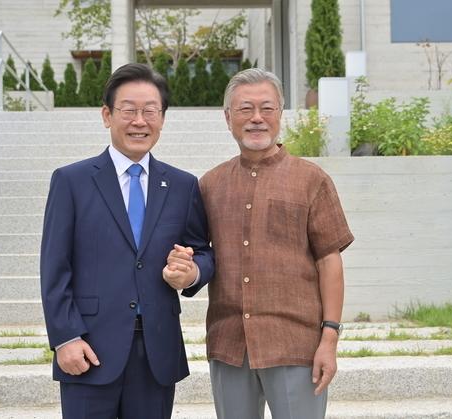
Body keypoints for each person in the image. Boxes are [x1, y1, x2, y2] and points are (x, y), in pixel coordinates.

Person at [40, 63, 214, 419]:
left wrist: (191, 271)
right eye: (129, 110)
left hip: (156, 351)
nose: (140, 121)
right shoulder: (71, 181)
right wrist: (65, 337)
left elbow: (203, 252)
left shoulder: (182, 185)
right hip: (88, 348)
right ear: (107, 115)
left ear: (162, 118)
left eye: (150, 111)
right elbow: (54, 267)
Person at [197, 68, 354, 419]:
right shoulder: (210, 185)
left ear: (280, 115)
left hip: (295, 344)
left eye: (267, 108)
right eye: (245, 109)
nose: (256, 118)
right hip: (229, 344)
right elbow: (199, 256)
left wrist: (329, 339)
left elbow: (330, 262)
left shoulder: (312, 180)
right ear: (227, 118)